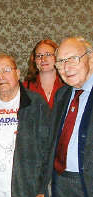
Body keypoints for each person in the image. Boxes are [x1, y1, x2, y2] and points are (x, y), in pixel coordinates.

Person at [0, 54, 52, 197]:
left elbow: (48, 149)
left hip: (26, 189)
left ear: (17, 73)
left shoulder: (35, 104)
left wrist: (41, 189)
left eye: (6, 70)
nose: (1, 76)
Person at [48, 37, 93, 196]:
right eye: (60, 62)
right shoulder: (62, 94)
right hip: (60, 180)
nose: (67, 67)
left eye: (73, 59)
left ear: (91, 58)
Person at [23, 39, 64, 109]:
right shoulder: (25, 88)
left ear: (57, 57)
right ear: (34, 60)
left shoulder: (67, 87)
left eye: (48, 54)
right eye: (39, 56)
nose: (43, 59)